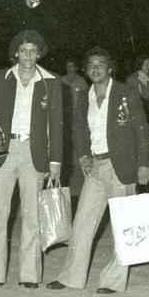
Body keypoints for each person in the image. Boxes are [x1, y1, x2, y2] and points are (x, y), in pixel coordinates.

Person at [47, 48, 149, 293]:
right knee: (82, 221)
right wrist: (83, 155)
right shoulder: (84, 95)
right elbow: (79, 128)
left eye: (100, 64)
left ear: (110, 68)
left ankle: (113, 281)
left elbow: (142, 130)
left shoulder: (126, 92)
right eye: (91, 65)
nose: (95, 69)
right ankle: (71, 277)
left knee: (122, 226)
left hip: (122, 166)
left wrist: (143, 164)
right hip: (95, 166)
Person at [0, 30, 64, 288]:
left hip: (34, 154)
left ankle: (29, 275)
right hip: (5, 150)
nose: (28, 55)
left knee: (33, 216)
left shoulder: (52, 82)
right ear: (15, 53)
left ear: (39, 53)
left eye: (33, 51)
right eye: (23, 50)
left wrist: (55, 162)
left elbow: (57, 126)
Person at [60, 57, 89, 197]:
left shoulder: (81, 81)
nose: (70, 68)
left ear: (76, 68)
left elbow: (86, 100)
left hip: (79, 117)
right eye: (68, 66)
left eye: (73, 66)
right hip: (65, 117)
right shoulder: (62, 80)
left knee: (79, 142)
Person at [126, 55, 149, 121]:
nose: (148, 67)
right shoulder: (132, 79)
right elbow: (130, 98)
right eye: (146, 64)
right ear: (140, 65)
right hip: (136, 113)